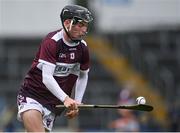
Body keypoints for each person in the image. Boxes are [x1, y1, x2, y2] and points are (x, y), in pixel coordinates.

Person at [16, 5, 93, 132]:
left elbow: (83, 75)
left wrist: (77, 102)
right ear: (67, 23)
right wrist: (66, 98)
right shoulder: (52, 42)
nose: (84, 30)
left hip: (52, 104)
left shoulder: (83, 48)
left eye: (86, 25)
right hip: (32, 96)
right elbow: (47, 78)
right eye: (80, 25)